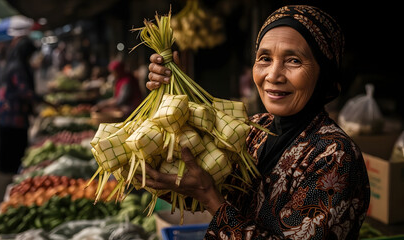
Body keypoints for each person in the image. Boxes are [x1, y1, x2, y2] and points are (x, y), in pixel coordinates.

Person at [142, 5, 370, 239]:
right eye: (264, 58)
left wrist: (211, 197)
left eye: (293, 60)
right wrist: (172, 100)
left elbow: (210, 196)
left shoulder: (335, 156)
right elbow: (197, 192)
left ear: (324, 73)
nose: (272, 75)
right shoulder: (254, 129)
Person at [0, 36, 46, 174]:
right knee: (16, 144)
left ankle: (13, 170)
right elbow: (25, 91)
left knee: (12, 143)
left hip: (9, 111)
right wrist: (43, 100)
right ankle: (16, 172)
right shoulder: (18, 67)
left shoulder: (12, 63)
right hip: (13, 112)